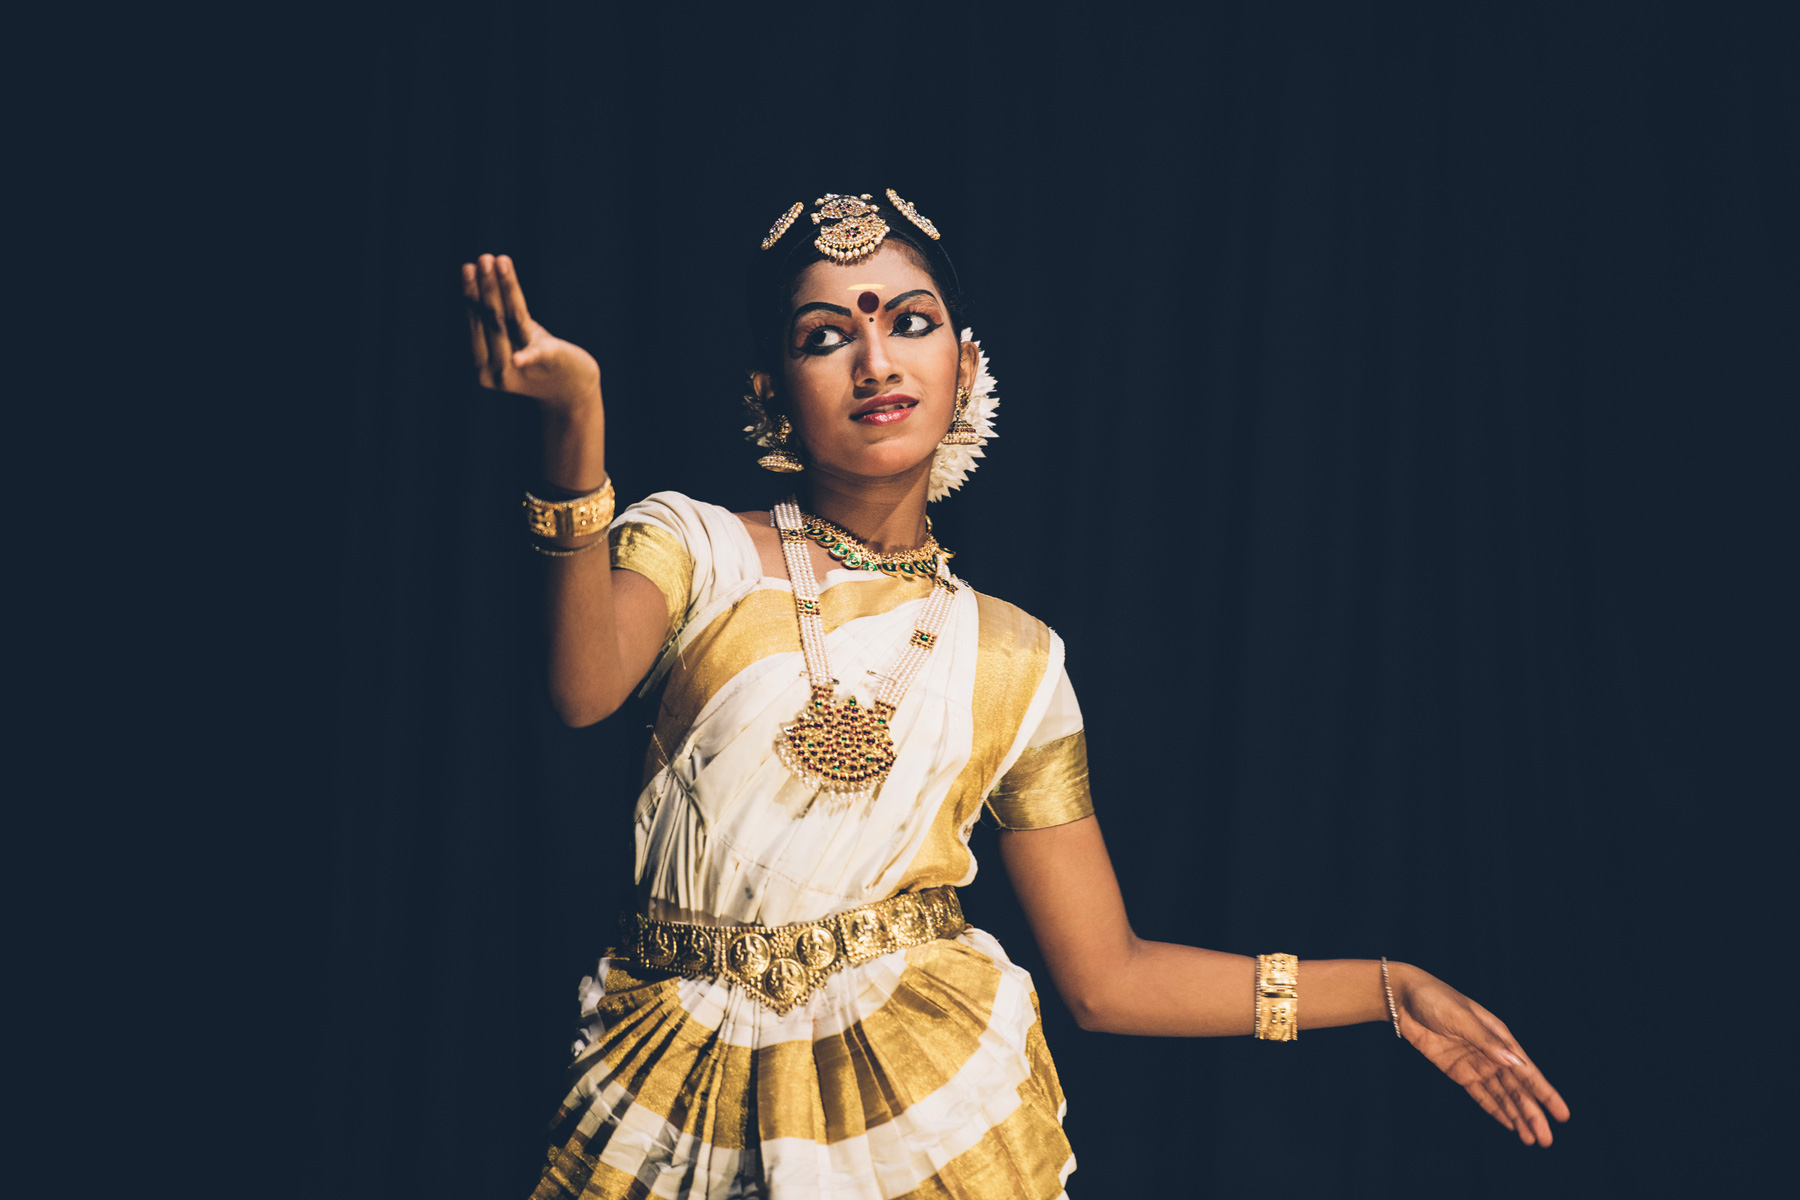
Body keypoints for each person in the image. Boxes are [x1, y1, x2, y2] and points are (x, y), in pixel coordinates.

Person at [461, 188, 1570, 1199]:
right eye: (825, 335)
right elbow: (582, 689)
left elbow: (1108, 977)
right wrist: (574, 438)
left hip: (904, 1112)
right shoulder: (690, 545)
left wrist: (1384, 988)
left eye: (909, 320)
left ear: (968, 362)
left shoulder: (1016, 659)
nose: (875, 360)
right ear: (770, 390)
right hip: (672, 1091)